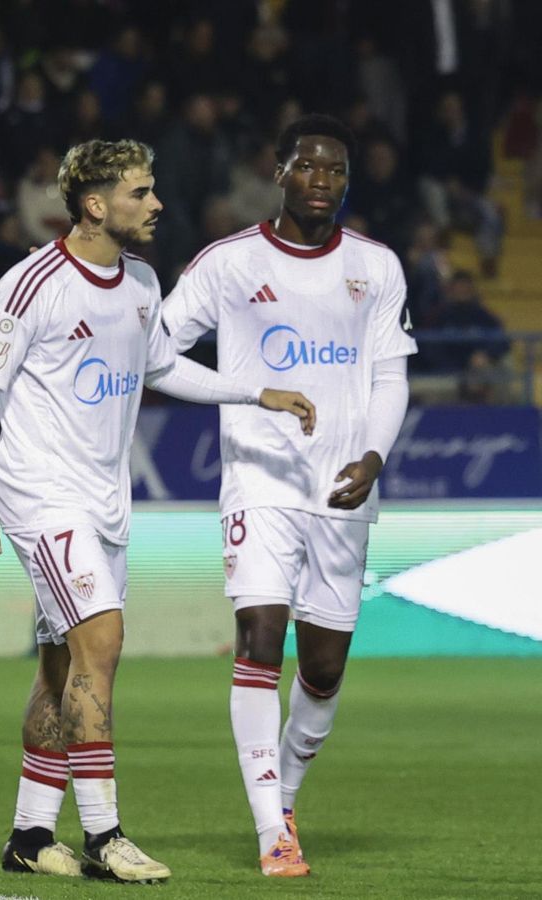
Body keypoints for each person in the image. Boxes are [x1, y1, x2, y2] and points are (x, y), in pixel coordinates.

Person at [0, 140, 314, 883]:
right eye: (141, 192)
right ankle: (103, 834)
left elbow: (160, 365)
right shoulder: (33, 284)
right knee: (104, 641)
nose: (156, 204)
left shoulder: (144, 282)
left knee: (62, 665)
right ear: (95, 204)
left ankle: (29, 834)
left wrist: (256, 390)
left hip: (104, 503)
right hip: (42, 493)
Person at [160, 114, 417, 877]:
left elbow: (390, 376)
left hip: (342, 490)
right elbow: (156, 356)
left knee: (326, 667)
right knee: (260, 641)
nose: (324, 182)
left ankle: (288, 795)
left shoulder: (376, 266)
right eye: (309, 167)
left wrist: (374, 455)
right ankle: (273, 828)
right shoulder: (228, 265)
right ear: (279, 172)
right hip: (260, 483)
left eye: (337, 171)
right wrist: (248, 393)